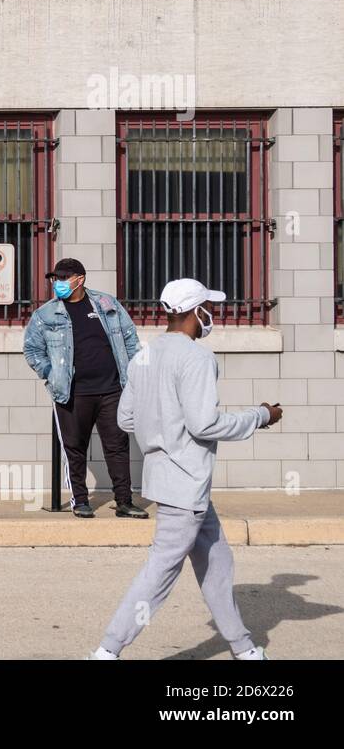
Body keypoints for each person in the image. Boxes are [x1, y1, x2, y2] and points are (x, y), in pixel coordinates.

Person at [90, 279, 279, 661]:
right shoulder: (197, 357)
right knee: (160, 572)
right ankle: (107, 650)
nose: (213, 313)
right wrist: (260, 416)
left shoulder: (144, 355)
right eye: (209, 306)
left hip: (169, 480)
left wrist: (161, 427)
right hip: (186, 483)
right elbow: (204, 424)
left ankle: (243, 648)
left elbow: (126, 418)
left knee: (217, 562)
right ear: (196, 311)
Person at [22, 257, 148, 519]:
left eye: (63, 278)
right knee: (74, 447)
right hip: (72, 392)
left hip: (113, 389)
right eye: (55, 278)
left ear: (80, 279)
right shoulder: (45, 314)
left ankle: (124, 501)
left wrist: (134, 374)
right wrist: (51, 374)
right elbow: (33, 350)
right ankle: (79, 500)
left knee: (117, 446)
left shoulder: (106, 303)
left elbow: (129, 338)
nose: (58, 283)